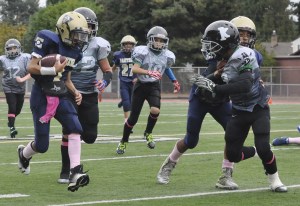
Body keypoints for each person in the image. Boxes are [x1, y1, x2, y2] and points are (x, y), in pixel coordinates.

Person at [191, 20, 287, 192]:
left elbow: (244, 84)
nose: (209, 49)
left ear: (224, 43)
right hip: (239, 110)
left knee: (264, 146)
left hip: (258, 107)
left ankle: (275, 180)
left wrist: (215, 87)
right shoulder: (221, 59)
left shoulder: (244, 54)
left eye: (212, 45)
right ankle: (256, 152)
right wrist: (210, 79)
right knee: (233, 153)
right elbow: (211, 86)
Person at [17, 11, 90, 192]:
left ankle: (75, 172)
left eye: (82, 35)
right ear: (64, 30)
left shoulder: (76, 52)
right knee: (42, 146)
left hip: (60, 93)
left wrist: (75, 91)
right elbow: (31, 67)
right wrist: (51, 70)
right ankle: (24, 154)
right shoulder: (47, 39)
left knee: (75, 127)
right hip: (41, 94)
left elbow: (65, 78)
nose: (79, 39)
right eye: (76, 34)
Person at [57, 7, 112, 184]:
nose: (86, 29)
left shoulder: (98, 45)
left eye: (89, 25)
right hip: (69, 93)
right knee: (70, 131)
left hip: (89, 94)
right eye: (83, 25)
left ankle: (74, 143)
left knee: (90, 137)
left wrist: (104, 82)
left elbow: (107, 70)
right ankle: (67, 171)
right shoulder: (68, 43)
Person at [115, 26, 180, 154]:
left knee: (155, 110)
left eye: (162, 40)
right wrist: (149, 72)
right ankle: (123, 141)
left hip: (154, 85)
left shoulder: (167, 55)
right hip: (140, 85)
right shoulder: (142, 52)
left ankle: (148, 132)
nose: (159, 42)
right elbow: (134, 69)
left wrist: (174, 80)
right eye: (156, 39)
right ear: (150, 39)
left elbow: (166, 68)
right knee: (133, 118)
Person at [0, 38, 31, 138]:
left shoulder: (25, 57)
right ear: (6, 49)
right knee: (12, 107)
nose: (12, 50)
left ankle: (10, 121)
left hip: (20, 88)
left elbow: (32, 72)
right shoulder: (2, 59)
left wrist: (22, 80)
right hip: (8, 87)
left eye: (14, 48)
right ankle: (12, 128)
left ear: (19, 48)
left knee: (17, 110)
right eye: (10, 48)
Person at [112, 35, 137, 124]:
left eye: (130, 44)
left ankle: (123, 100)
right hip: (124, 81)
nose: (128, 46)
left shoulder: (137, 55)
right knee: (127, 103)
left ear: (134, 45)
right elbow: (114, 66)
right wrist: (109, 75)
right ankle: (126, 121)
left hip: (134, 82)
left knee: (132, 102)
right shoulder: (118, 55)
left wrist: (137, 77)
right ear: (122, 45)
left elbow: (140, 67)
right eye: (126, 44)